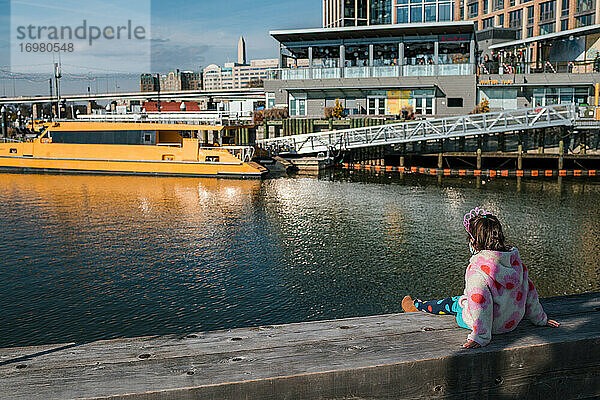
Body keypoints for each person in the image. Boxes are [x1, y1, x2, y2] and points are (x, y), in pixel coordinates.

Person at [402, 207, 560, 348]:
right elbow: (530, 292)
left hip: (491, 326)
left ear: (473, 242)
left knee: (454, 304)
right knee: (463, 299)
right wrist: (541, 319)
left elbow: (480, 304)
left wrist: (480, 337)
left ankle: (417, 306)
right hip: (511, 322)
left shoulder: (477, 271)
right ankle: (419, 305)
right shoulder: (516, 264)